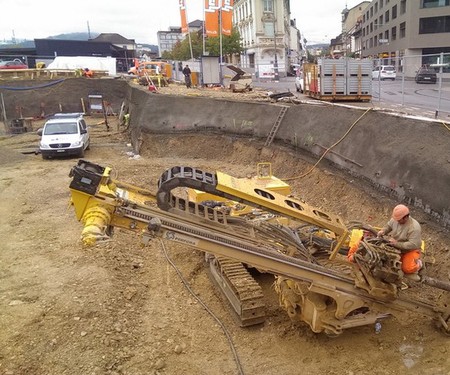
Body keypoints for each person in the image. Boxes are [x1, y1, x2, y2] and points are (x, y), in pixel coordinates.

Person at [377, 204, 423, 281]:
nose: (397, 221)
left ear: (406, 217)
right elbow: (389, 226)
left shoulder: (414, 228)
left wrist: (396, 244)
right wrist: (383, 231)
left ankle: (419, 264)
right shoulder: (396, 220)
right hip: (395, 245)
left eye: (399, 220)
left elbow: (413, 245)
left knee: (407, 268)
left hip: (409, 250)